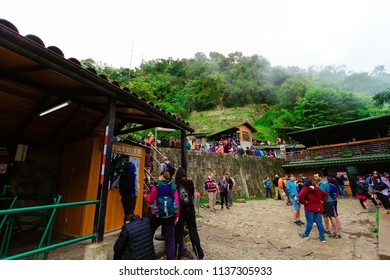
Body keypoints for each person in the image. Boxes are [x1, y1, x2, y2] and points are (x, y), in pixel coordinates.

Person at [144, 171, 179, 260]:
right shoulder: (173, 187)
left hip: (157, 215)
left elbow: (151, 200)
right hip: (169, 216)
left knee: (149, 233)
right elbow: (176, 202)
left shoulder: (156, 187)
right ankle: (171, 259)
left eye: (160, 176)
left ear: (162, 177)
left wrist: (146, 197)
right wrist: (177, 215)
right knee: (170, 239)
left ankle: (149, 255)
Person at [175, 167, 205, 260]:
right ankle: (199, 253)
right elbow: (191, 194)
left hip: (180, 210)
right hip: (189, 208)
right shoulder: (190, 182)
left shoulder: (176, 184)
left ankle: (177, 254)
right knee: (193, 230)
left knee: (179, 231)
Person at [315, 173, 342, 239]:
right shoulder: (324, 183)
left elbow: (320, 193)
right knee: (324, 215)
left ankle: (337, 233)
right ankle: (327, 229)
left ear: (320, 177)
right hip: (325, 202)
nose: (315, 178)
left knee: (331, 216)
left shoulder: (323, 183)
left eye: (316, 177)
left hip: (328, 202)